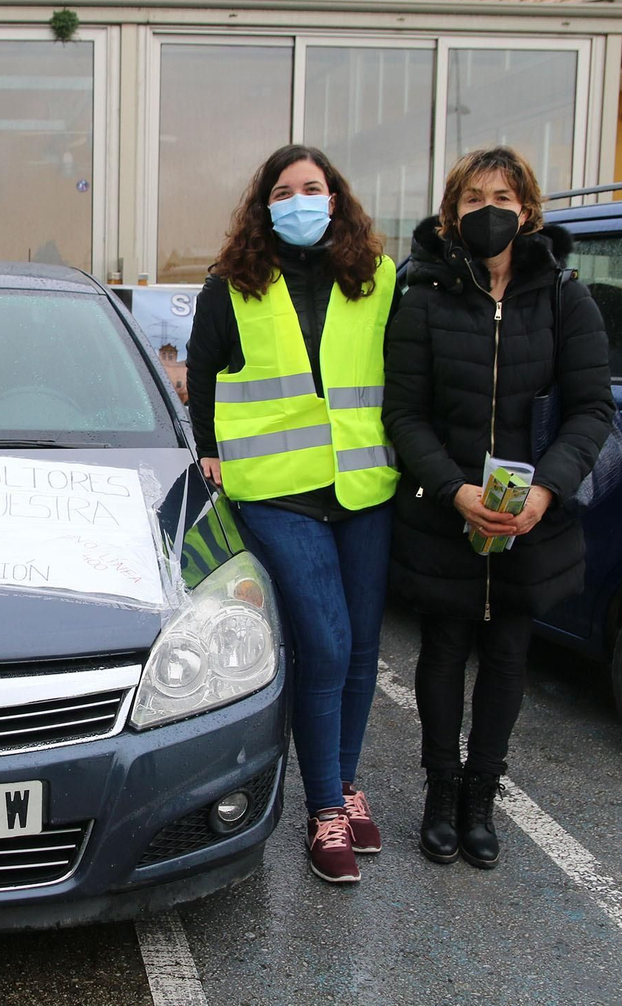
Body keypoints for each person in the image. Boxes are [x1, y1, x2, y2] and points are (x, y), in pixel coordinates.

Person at [383, 146, 613, 868]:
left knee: (509, 654)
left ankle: (483, 795)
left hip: (530, 519)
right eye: (475, 198)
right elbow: (404, 413)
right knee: (444, 651)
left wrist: (545, 489)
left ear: (529, 210)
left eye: (504, 198)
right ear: (452, 213)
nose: (491, 211)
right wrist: (455, 490)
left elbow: (591, 409)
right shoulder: (422, 297)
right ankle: (441, 791)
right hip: (447, 512)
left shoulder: (565, 297)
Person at [186, 144, 397, 884]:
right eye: (284, 190)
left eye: (312, 187)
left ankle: (343, 781)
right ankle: (324, 811)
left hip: (364, 485)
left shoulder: (378, 278)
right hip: (276, 491)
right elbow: (204, 373)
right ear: (264, 205)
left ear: (335, 198)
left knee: (364, 649)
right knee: (327, 645)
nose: (299, 200)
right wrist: (208, 448)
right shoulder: (232, 287)